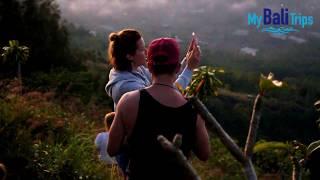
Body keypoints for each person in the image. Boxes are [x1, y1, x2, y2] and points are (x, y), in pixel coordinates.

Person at [107, 38, 210, 179]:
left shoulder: (128, 101)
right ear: (178, 68)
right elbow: (204, 154)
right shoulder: (192, 110)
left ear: (149, 66)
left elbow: (112, 149)